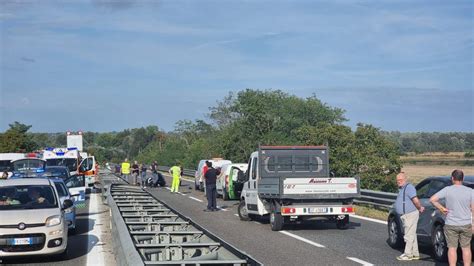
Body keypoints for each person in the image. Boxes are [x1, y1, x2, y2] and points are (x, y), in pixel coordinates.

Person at [430, 170, 473, 266]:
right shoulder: (470, 191)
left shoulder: (447, 190)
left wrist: (442, 208)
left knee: (452, 248)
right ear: (463, 178)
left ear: (452, 178)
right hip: (466, 224)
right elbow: (473, 209)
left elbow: (432, 199)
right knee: (466, 248)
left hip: (451, 223)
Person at [394, 172, 425, 261]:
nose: (398, 182)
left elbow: (415, 199)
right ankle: (415, 253)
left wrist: (420, 207)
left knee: (408, 235)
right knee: (412, 234)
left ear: (405, 179)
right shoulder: (402, 188)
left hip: (410, 214)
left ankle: (408, 254)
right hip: (406, 215)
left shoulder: (409, 188)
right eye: (397, 180)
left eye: (400, 180)